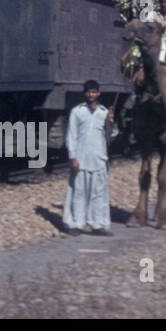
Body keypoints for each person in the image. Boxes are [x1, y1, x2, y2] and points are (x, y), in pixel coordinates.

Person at [63, 80, 115, 235]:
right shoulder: (77, 111)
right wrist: (73, 157)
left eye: (94, 92)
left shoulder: (104, 112)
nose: (91, 94)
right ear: (85, 93)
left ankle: (98, 224)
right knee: (78, 192)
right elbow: (71, 135)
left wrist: (110, 122)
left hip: (99, 158)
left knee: (98, 193)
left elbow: (110, 137)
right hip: (81, 158)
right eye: (89, 92)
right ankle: (76, 224)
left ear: (98, 93)